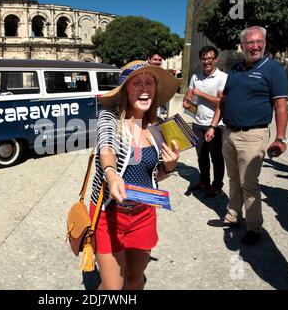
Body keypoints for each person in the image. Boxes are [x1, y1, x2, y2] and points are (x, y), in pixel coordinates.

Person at [89, 60, 181, 290]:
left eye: (149, 82)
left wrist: (169, 167)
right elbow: (106, 148)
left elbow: (152, 176)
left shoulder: (158, 127)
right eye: (136, 82)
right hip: (108, 213)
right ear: (125, 90)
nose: (144, 88)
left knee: (135, 277)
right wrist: (111, 175)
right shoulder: (109, 118)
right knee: (112, 287)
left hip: (143, 214)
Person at [205, 26, 288, 245]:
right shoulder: (235, 70)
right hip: (229, 133)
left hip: (254, 135)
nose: (255, 46)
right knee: (233, 179)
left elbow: (280, 105)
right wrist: (214, 126)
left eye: (259, 42)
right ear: (242, 46)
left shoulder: (273, 69)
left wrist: (280, 138)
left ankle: (254, 227)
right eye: (249, 43)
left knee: (249, 183)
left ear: (265, 43)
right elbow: (224, 101)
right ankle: (233, 216)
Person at [183, 46, 227, 199]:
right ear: (200, 60)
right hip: (198, 122)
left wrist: (201, 94)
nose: (207, 61)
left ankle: (217, 186)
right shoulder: (196, 76)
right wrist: (187, 100)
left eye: (210, 58)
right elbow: (190, 92)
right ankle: (204, 181)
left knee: (216, 158)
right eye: (204, 58)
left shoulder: (222, 77)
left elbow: (222, 102)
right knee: (201, 156)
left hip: (215, 125)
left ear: (216, 59)